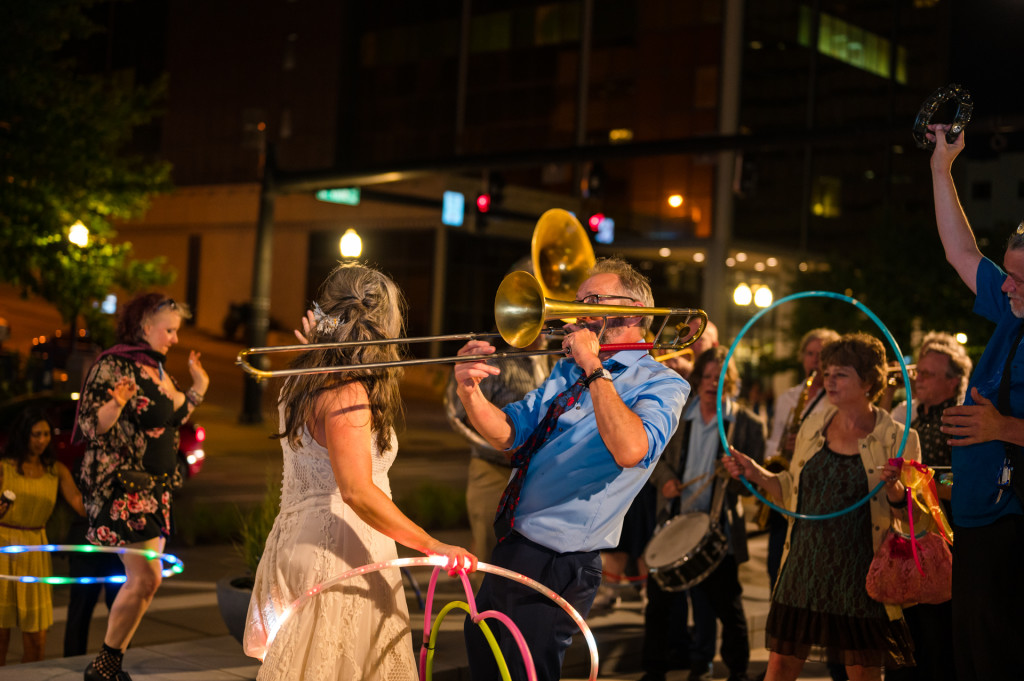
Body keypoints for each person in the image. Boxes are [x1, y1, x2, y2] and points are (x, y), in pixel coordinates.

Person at [454, 256, 689, 681]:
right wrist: (470, 391)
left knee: (527, 672)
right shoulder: (567, 371)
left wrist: (594, 367)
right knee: (486, 663)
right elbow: (511, 432)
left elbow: (630, 449)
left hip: (562, 560)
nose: (577, 312)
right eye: (579, 300)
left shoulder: (663, 383)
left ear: (633, 312)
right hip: (514, 542)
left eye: (594, 300)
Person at [243, 262, 477, 681]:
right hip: (338, 555)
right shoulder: (347, 388)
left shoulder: (304, 376)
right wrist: (431, 545)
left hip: (301, 542)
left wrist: (319, 346)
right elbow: (356, 490)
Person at [723, 333, 925, 681]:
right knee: (780, 668)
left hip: (859, 575)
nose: (828, 379)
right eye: (827, 371)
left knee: (863, 673)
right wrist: (756, 473)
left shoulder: (898, 437)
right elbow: (793, 493)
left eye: (840, 373)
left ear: (868, 381)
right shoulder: (813, 425)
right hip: (803, 567)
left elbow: (914, 518)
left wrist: (895, 490)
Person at [927, 123, 1024, 680]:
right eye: (1006, 273)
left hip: (1010, 529)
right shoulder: (1013, 312)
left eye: (1018, 278)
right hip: (979, 524)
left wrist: (1002, 427)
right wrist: (942, 168)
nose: (1004, 286)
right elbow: (961, 252)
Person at [76, 294, 209, 681]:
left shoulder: (157, 371)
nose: (174, 339)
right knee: (146, 578)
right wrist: (114, 406)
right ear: (143, 326)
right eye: (168, 330)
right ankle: (104, 664)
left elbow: (174, 415)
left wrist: (200, 386)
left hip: (154, 490)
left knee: (145, 584)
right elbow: (89, 424)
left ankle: (109, 664)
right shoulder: (114, 365)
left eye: (176, 331)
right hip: (121, 489)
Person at [641, 346, 765, 681]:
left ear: (731, 382)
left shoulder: (747, 424)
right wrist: (666, 481)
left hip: (717, 529)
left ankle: (737, 671)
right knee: (659, 606)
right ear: (698, 380)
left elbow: (754, 486)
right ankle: (654, 672)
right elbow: (653, 458)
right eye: (707, 376)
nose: (713, 383)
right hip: (675, 524)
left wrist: (739, 474)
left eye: (721, 377)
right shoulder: (679, 413)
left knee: (729, 607)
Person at [884, 331, 970, 681]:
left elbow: (964, 482)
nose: (918, 379)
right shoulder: (910, 414)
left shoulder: (963, 419)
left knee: (938, 638)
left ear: (953, 382)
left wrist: (927, 481)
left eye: (929, 374)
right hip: (907, 535)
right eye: (918, 372)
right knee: (909, 634)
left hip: (946, 538)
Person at [0, 407, 85, 664]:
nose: (42, 440)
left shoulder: (55, 470)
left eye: (46, 434)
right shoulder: (4, 468)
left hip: (36, 550)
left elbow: (79, 504)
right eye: (36, 434)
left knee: (36, 639)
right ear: (23, 435)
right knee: (0, 635)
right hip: (3, 548)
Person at [761, 328, 840, 591]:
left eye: (821, 355)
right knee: (776, 565)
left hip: (818, 493)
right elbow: (772, 441)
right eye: (810, 353)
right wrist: (781, 447)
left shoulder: (837, 402)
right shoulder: (788, 398)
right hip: (785, 485)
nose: (815, 360)